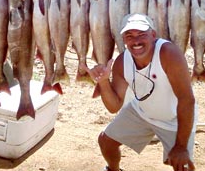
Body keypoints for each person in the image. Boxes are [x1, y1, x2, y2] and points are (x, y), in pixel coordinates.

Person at [81, 13, 197, 171]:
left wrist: (181, 146)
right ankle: (113, 169)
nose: (136, 41)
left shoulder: (168, 53)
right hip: (142, 111)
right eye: (129, 36)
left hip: (174, 119)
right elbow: (113, 106)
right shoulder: (122, 62)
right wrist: (103, 82)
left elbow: (186, 100)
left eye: (142, 34)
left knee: (182, 164)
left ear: (153, 35)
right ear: (124, 40)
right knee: (106, 141)